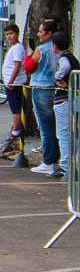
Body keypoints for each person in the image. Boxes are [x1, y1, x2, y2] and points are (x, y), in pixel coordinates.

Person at [28, 20, 60, 175]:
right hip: (56, 88)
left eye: (41, 32)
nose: (39, 34)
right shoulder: (60, 48)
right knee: (56, 126)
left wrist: (29, 54)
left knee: (45, 126)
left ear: (49, 34)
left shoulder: (41, 49)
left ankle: (49, 160)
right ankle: (57, 158)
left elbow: (29, 67)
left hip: (41, 87)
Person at [51, 32, 79, 179]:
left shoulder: (64, 59)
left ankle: (65, 165)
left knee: (63, 134)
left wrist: (58, 77)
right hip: (72, 99)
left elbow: (65, 67)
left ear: (54, 46)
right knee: (70, 133)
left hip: (63, 100)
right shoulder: (72, 57)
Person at [0, 23, 27, 155]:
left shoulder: (17, 49)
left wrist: (11, 81)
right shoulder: (15, 48)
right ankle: (15, 130)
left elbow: (17, 66)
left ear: (17, 34)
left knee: (15, 108)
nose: (9, 37)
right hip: (13, 82)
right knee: (14, 107)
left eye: (11, 34)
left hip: (15, 84)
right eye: (7, 34)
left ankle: (15, 132)